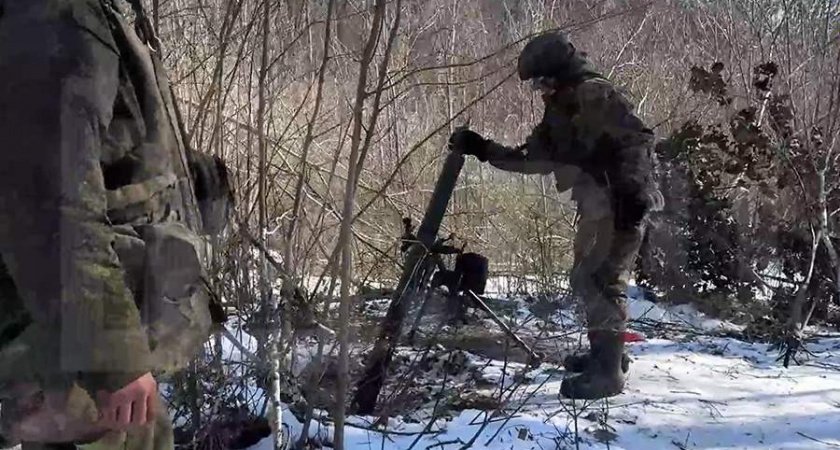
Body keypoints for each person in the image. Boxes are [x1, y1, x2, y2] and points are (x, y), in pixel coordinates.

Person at [0, 0, 230, 447]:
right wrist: (112, 358)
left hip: (74, 347)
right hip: (67, 360)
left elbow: (94, 156)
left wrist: (184, 177)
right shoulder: (53, 20)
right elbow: (50, 209)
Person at [449, 32, 657, 400]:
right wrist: (482, 148)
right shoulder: (565, 101)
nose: (540, 91)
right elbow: (537, 157)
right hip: (600, 203)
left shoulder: (592, 95)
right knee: (589, 277)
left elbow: (637, 143)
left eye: (542, 82)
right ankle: (607, 355)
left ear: (559, 73)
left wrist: (632, 197)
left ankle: (608, 372)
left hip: (618, 203)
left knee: (599, 280)